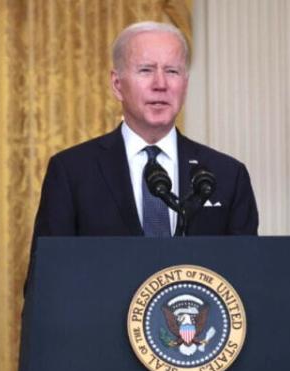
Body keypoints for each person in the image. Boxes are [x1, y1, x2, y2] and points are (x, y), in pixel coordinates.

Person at [30, 21, 259, 245]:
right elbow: (48, 278)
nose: (160, 84)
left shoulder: (228, 175)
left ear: (185, 85)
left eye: (172, 71)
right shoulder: (72, 172)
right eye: (146, 70)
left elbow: (247, 276)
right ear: (117, 85)